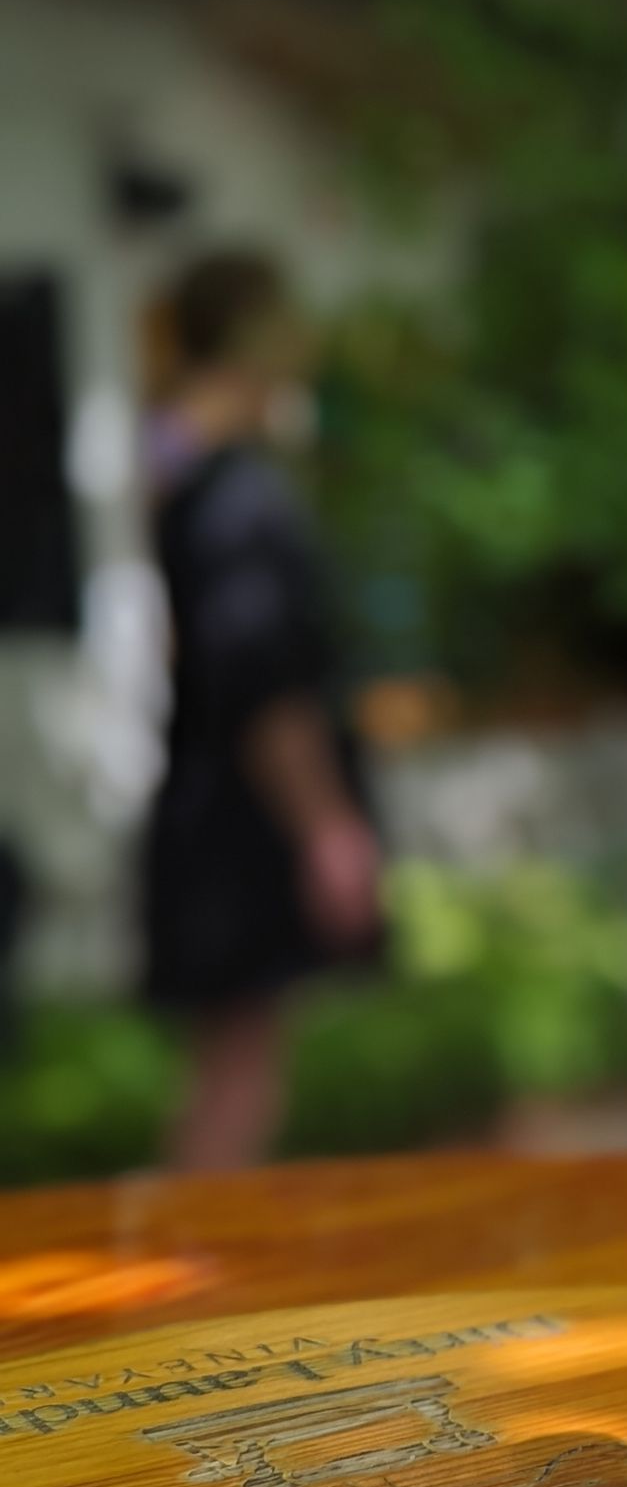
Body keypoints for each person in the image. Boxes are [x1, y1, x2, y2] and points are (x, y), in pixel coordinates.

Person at [142, 251, 383, 1170]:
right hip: (237, 828)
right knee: (239, 1083)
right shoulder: (239, 497)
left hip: (209, 807)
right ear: (256, 334)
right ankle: (175, 1285)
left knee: (235, 1069)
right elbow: (265, 685)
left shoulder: (189, 478)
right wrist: (326, 826)